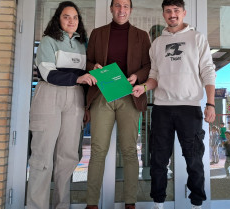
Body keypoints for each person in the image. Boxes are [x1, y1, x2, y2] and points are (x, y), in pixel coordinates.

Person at [132, 0, 216, 208]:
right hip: (162, 108)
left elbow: (208, 70)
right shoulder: (157, 43)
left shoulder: (197, 38)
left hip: (190, 108)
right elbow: (154, 76)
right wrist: (144, 87)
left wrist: (211, 104)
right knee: (158, 159)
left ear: (184, 13)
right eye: (168, 11)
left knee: (194, 158)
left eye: (176, 11)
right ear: (163, 14)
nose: (172, 14)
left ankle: (196, 201)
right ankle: (158, 202)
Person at [26, 2, 96, 209]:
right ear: (58, 19)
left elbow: (83, 75)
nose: (71, 21)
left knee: (68, 156)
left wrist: (86, 106)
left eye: (75, 17)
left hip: (75, 98)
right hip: (49, 94)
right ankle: (36, 206)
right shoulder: (48, 41)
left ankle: (61, 205)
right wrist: (81, 78)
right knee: (43, 154)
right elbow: (48, 73)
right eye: (66, 17)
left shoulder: (82, 44)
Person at [84, 0, 151, 208]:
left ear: (130, 10)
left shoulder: (141, 35)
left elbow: (150, 65)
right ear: (111, 8)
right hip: (102, 94)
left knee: (130, 150)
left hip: (129, 95)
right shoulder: (97, 33)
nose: (121, 10)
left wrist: (137, 76)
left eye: (125, 6)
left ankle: (130, 202)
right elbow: (85, 62)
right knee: (97, 150)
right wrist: (93, 66)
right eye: (117, 5)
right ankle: (92, 203)